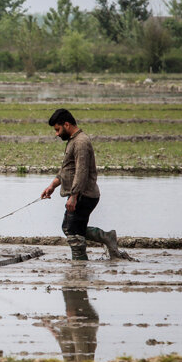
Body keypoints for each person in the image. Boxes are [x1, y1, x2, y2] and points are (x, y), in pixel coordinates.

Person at [40, 109, 131, 261]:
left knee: (73, 230)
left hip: (84, 195)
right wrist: (53, 186)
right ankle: (107, 237)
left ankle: (79, 264)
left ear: (67, 124)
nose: (56, 134)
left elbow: (81, 172)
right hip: (81, 194)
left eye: (57, 129)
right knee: (72, 228)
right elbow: (67, 169)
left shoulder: (81, 142)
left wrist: (73, 196)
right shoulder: (74, 140)